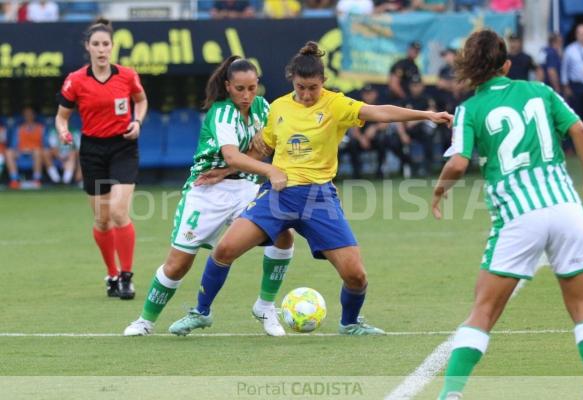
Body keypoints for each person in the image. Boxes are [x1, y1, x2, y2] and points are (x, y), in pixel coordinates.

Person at [168, 41, 452, 337]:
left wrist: (427, 115)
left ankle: (350, 323)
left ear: (323, 83)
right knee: (225, 249)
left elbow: (379, 111)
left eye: (313, 88)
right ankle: (201, 312)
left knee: (356, 275)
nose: (306, 94)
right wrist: (226, 171)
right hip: (278, 195)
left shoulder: (336, 104)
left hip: (320, 199)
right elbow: (260, 149)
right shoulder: (278, 107)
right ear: (292, 80)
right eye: (301, 87)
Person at [431, 30, 583, 400]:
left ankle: (450, 395)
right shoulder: (541, 91)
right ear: (507, 65)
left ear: (468, 70)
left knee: (483, 310)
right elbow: (581, 130)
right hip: (566, 208)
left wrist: (439, 190)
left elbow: (458, 164)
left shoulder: (469, 109)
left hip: (520, 216)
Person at [123, 56, 295, 337]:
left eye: (252, 88)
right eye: (240, 88)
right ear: (228, 86)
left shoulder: (263, 108)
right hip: (206, 193)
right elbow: (232, 154)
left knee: (283, 234)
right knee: (178, 264)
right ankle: (145, 320)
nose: (246, 95)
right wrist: (270, 170)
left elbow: (258, 150)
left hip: (246, 188)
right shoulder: (221, 113)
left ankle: (265, 306)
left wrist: (229, 170)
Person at [55, 18, 148, 300]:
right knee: (102, 220)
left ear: (112, 47)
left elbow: (141, 101)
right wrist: (63, 132)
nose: (101, 49)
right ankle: (112, 272)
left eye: (105, 44)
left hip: (123, 147)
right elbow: (62, 117)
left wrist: (138, 122)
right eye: (96, 44)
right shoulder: (75, 80)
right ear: (88, 47)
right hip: (92, 151)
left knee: (120, 212)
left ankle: (127, 277)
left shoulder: (127, 76)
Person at [6, 106, 45, 189]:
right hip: (21, 153)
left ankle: (37, 180)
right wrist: (18, 150)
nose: (28, 116)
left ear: (34, 115)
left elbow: (45, 144)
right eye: (26, 115)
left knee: (37, 151)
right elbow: (14, 144)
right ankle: (14, 180)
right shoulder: (19, 128)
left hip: (35, 152)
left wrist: (32, 150)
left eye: (30, 114)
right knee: (9, 152)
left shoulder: (41, 128)